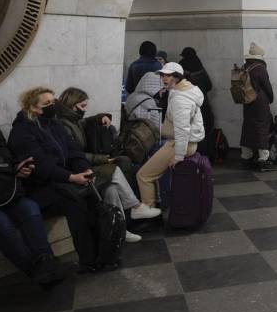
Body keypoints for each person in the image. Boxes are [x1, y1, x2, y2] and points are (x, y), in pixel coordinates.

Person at [8, 87, 104, 273]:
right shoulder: (22, 131)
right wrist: (71, 177)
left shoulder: (54, 124)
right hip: (38, 187)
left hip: (60, 180)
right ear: (33, 108)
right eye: (47, 104)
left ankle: (102, 251)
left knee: (92, 195)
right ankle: (88, 260)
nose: (53, 106)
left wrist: (84, 169)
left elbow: (73, 150)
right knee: (74, 201)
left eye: (54, 102)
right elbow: (40, 165)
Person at [0, 97, 65, 286]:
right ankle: (35, 270)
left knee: (30, 209)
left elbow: (4, 162)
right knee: (2, 225)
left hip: (7, 192)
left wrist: (17, 169)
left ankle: (47, 263)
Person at [56, 87, 144, 243]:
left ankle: (120, 230)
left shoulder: (72, 119)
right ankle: (136, 207)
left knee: (111, 189)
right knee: (115, 169)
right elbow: (74, 155)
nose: (84, 109)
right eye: (82, 106)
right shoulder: (63, 125)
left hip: (83, 164)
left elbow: (84, 122)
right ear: (72, 104)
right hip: (76, 170)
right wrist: (103, 159)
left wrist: (101, 117)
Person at [134, 62, 205, 213]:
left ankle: (148, 211)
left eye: (168, 75)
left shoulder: (181, 99)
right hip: (181, 143)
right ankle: (155, 205)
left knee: (143, 175)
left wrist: (179, 156)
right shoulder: (184, 89)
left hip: (180, 144)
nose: (164, 78)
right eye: (162, 75)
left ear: (177, 77)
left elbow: (182, 130)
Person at [238, 43, 276, 171]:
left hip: (247, 102)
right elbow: (267, 86)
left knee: (248, 128)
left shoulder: (245, 67)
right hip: (260, 103)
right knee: (261, 128)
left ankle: (246, 158)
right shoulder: (260, 68)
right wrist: (270, 98)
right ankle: (263, 160)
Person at [179, 47, 214, 139]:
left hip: (188, 104)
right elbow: (209, 85)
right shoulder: (199, 65)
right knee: (204, 127)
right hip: (203, 102)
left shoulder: (182, 66)